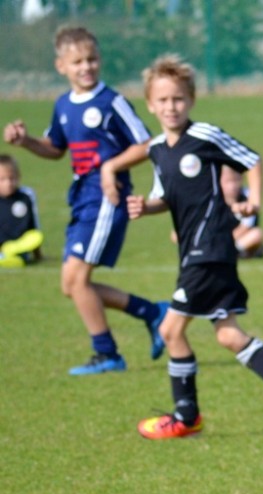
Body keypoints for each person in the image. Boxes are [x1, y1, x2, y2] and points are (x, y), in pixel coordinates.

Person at [125, 54, 263, 440]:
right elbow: (166, 198)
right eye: (162, 100)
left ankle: (186, 417)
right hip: (194, 253)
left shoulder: (206, 135)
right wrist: (146, 207)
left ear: (191, 100)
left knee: (170, 329)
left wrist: (254, 202)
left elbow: (252, 160)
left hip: (210, 248)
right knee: (228, 334)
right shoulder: (158, 149)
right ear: (149, 104)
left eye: (178, 99)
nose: (171, 107)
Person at [3, 26, 167, 375]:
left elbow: (147, 143)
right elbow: (55, 148)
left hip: (107, 197)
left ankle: (108, 354)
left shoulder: (111, 102)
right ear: (60, 66)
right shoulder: (63, 104)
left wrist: (111, 167)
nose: (86, 67)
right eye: (77, 62)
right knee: (71, 285)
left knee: (77, 281)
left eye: (91, 59)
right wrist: (25, 141)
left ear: (100, 60)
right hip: (82, 199)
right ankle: (153, 313)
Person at [0, 153, 44, 268]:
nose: (8, 183)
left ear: (18, 176)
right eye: (2, 179)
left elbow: (33, 228)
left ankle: (10, 256)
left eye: (11, 178)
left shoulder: (26, 196)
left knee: (34, 236)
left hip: (18, 246)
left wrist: (38, 255)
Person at [220, 165, 263, 258]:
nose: (233, 186)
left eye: (236, 181)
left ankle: (230, 252)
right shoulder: (214, 198)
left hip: (237, 239)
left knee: (256, 234)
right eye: (228, 181)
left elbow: (246, 227)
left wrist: (226, 241)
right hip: (217, 238)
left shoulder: (248, 197)